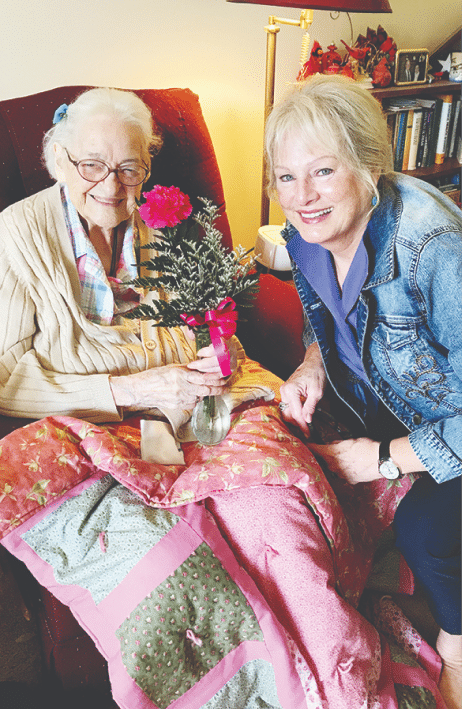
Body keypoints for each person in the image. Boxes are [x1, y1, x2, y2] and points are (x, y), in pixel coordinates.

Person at [0, 87, 446, 709]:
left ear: (148, 169)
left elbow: (222, 332)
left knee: (284, 535)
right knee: (175, 589)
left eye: (129, 167)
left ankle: (344, 687)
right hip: (96, 428)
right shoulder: (18, 236)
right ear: (58, 160)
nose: (111, 185)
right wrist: (128, 389)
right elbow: (5, 374)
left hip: (213, 409)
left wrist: (221, 356)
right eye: (90, 165)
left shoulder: (171, 225)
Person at [265, 72, 462, 709]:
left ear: (367, 164)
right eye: (286, 177)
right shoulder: (303, 237)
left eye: (322, 171)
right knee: (279, 469)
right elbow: (327, 328)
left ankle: (458, 646)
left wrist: (383, 459)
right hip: (383, 401)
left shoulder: (435, 246)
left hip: (448, 423)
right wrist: (311, 369)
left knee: (426, 527)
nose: (302, 197)